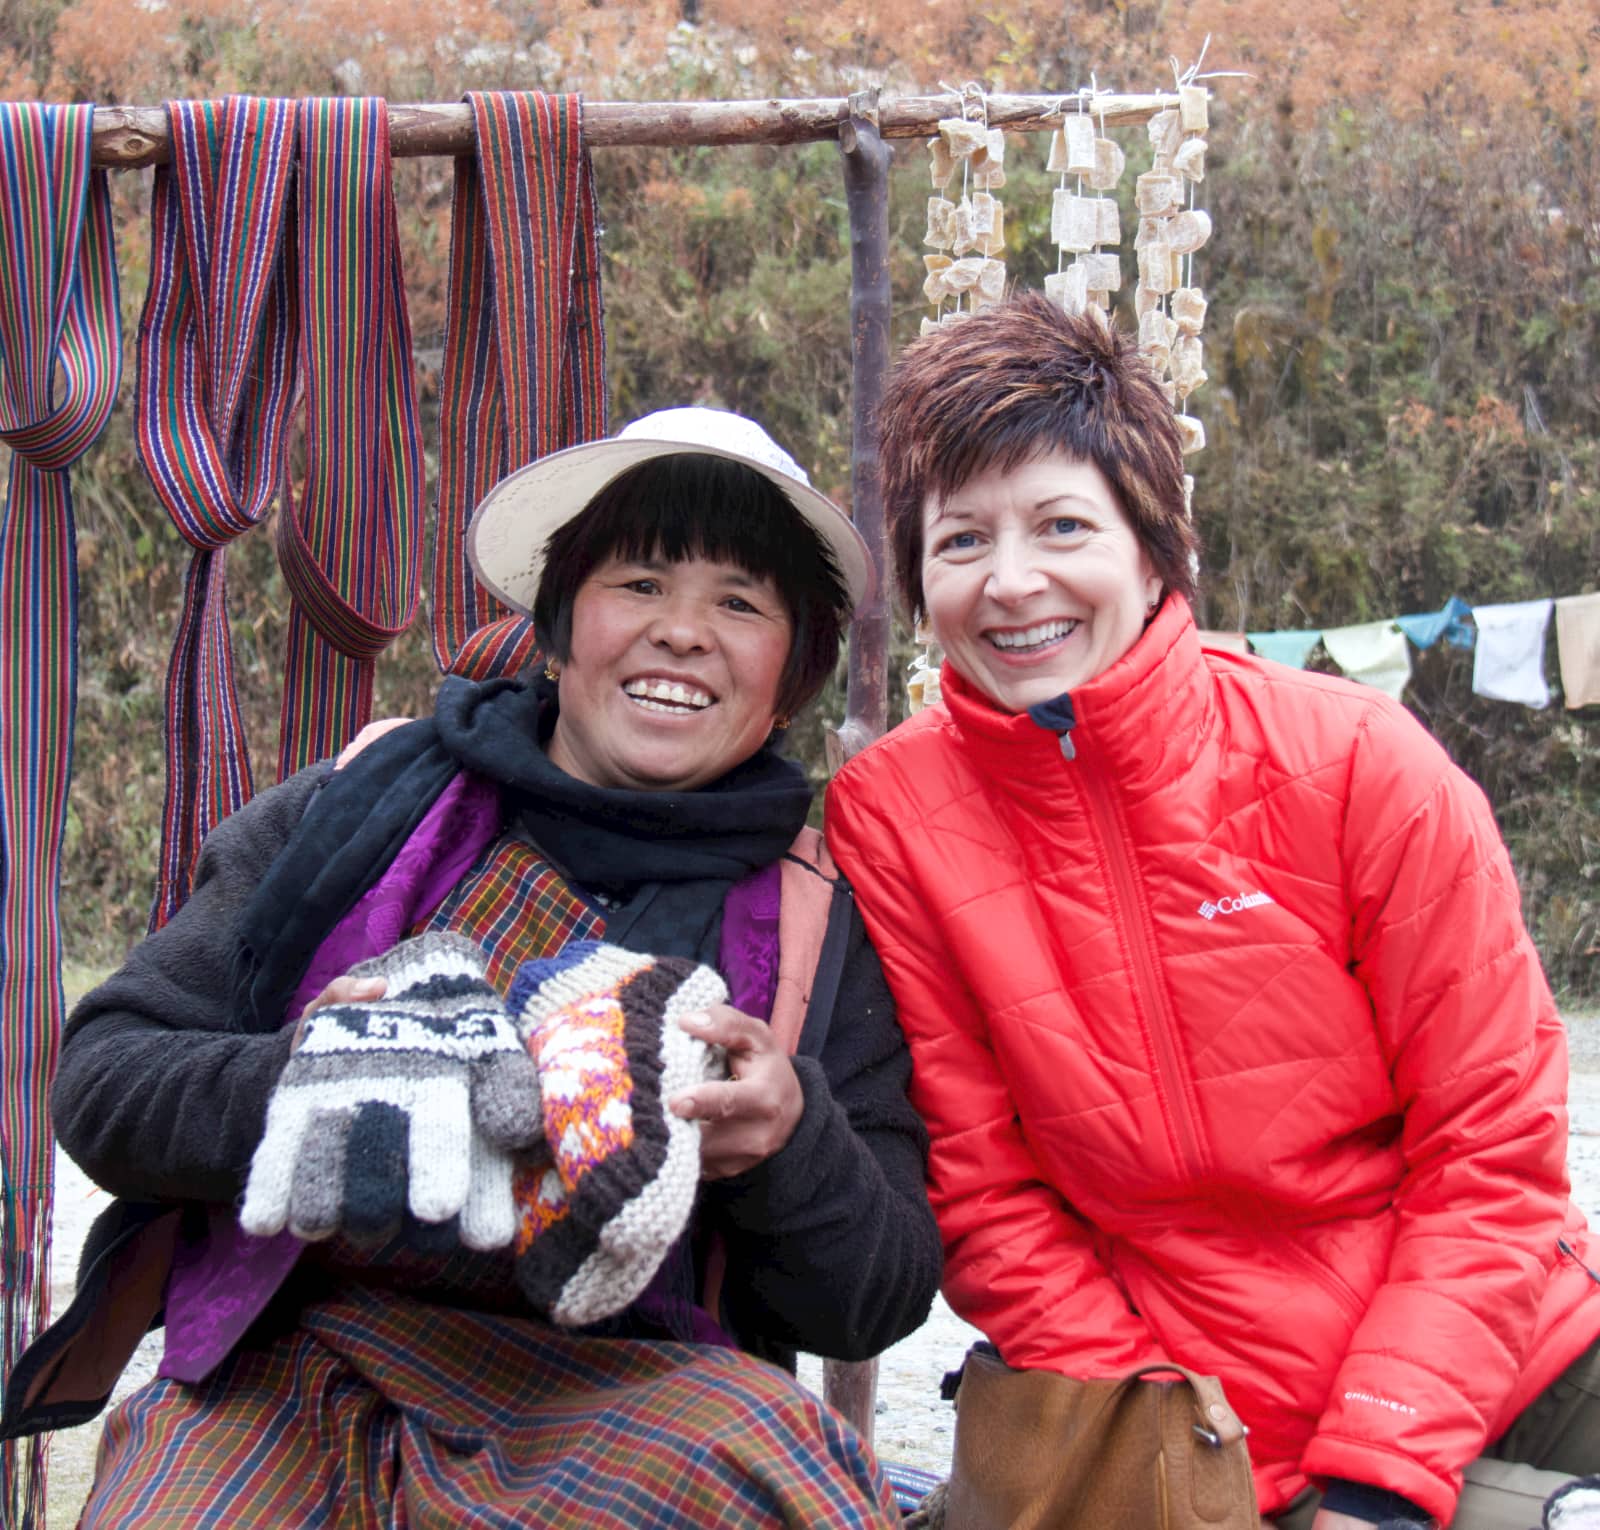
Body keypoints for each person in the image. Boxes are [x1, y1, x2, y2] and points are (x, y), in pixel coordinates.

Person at [4, 407, 941, 1527]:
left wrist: (785, 1147)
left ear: (791, 677)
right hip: (289, 1366)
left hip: (623, 1393)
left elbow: (876, 1296)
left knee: (767, 1475)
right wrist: (314, 1080)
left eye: (739, 603)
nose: (683, 633)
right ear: (555, 628)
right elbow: (106, 1078)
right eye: (638, 583)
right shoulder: (354, 809)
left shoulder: (814, 924)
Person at [823, 295, 1600, 1530]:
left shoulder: (1355, 760)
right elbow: (983, 1195)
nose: (1013, 582)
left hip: (1498, 1354)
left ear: (1151, 545)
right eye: (961, 540)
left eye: (1062, 524)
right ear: (919, 579)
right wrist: (1174, 1459)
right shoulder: (893, 815)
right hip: (1162, 1392)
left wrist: (1377, 1474)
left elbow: (1491, 1149)